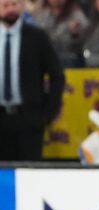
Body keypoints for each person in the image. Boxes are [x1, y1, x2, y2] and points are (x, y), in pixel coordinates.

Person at [0, 0, 64, 161]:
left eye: (14, 4)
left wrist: (47, 114)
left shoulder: (37, 37)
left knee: (29, 168)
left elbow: (57, 75)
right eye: (5, 5)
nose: (11, 9)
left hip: (28, 119)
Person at [31, 0, 87, 67]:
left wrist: (75, 35)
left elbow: (86, 42)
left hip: (69, 62)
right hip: (45, 61)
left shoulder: (77, 15)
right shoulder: (41, 15)